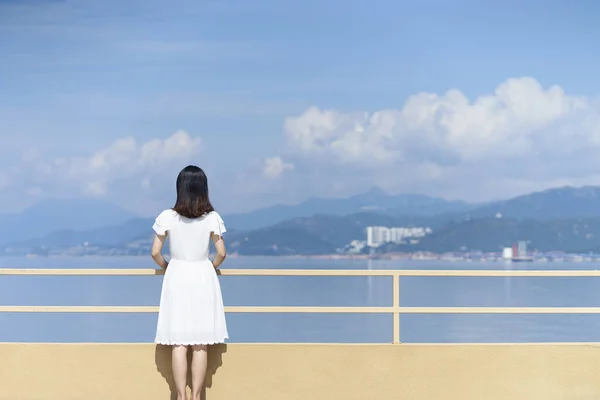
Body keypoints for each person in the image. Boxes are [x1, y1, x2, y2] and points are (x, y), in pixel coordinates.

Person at [150, 165, 228, 400]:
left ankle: (180, 396)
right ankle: (196, 396)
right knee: (200, 343)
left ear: (180, 188)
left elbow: (155, 252)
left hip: (177, 276)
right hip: (203, 276)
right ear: (203, 188)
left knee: (179, 342)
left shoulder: (168, 217)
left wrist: (168, 267)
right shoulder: (212, 217)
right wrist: (208, 268)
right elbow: (222, 253)